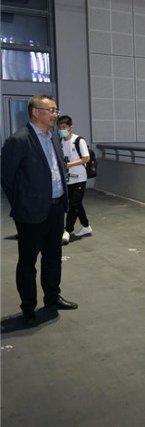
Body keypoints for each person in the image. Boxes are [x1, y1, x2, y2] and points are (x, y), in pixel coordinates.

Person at [1, 94, 79, 325]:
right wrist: (22, 204)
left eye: (56, 110)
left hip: (56, 209)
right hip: (31, 212)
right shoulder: (19, 140)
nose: (55, 115)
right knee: (28, 262)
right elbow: (7, 178)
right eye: (51, 110)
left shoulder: (53, 138)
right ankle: (28, 307)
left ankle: (52, 298)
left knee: (53, 258)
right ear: (36, 112)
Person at [57, 115, 92, 244]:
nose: (62, 130)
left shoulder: (78, 141)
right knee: (76, 203)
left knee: (73, 204)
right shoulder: (60, 142)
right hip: (68, 179)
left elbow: (86, 158)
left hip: (79, 178)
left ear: (70, 127)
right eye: (60, 128)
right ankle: (86, 226)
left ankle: (67, 231)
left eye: (64, 127)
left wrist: (69, 165)